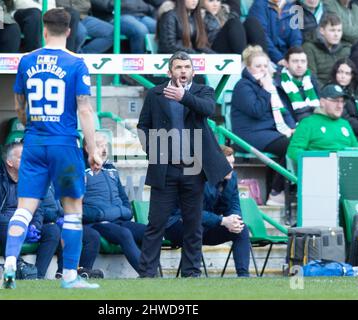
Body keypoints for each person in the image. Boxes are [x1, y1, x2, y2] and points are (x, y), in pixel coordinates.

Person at [4, 8, 101, 289]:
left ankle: (10, 261)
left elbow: (18, 107)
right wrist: (92, 148)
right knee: (72, 211)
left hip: (33, 143)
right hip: (64, 145)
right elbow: (84, 110)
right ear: (69, 32)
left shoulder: (26, 61)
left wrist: (30, 124)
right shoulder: (76, 63)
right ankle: (69, 276)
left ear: (43, 30)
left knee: (23, 209)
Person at [137, 51, 232, 277]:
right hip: (165, 168)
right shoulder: (155, 94)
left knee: (193, 223)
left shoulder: (202, 91)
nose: (182, 71)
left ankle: (191, 273)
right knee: (155, 223)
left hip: (194, 168)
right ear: (170, 72)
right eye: (178, 67)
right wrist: (152, 150)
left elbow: (208, 109)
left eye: (186, 67)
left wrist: (183, 97)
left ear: (193, 71)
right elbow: (143, 126)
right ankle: (147, 274)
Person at [165, 145, 250, 277]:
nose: (231, 168)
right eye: (228, 164)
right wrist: (222, 220)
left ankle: (244, 277)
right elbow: (192, 212)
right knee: (195, 226)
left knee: (242, 229)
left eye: (233, 163)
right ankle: (192, 274)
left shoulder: (231, 178)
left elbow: (234, 204)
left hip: (207, 225)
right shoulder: (197, 178)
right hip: (177, 225)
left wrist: (234, 219)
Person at [0, 142, 60, 279]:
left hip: (26, 223)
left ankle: (37, 275)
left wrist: (34, 225)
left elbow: (38, 209)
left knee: (53, 230)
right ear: (9, 162)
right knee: (9, 229)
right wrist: (19, 225)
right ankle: (17, 269)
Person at [231, 45, 296, 206]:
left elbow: (284, 111)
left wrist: (292, 128)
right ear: (248, 67)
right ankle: (276, 192)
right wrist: (266, 90)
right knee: (291, 146)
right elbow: (257, 111)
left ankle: (284, 190)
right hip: (250, 134)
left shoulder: (269, 85)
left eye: (265, 65)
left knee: (298, 141)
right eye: (258, 66)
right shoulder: (243, 86)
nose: (263, 69)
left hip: (269, 132)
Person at [83, 132, 146, 275]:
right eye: (99, 146)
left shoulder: (111, 169)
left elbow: (124, 198)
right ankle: (147, 274)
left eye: (105, 145)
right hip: (97, 223)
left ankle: (152, 270)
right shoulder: (80, 171)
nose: (104, 149)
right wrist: (100, 214)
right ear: (87, 148)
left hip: (118, 219)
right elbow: (76, 207)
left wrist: (125, 211)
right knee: (124, 234)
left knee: (149, 233)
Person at [40, 185, 104, 280]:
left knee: (92, 235)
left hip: (59, 219)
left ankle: (82, 273)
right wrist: (58, 216)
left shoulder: (53, 180)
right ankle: (59, 272)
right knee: (60, 231)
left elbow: (61, 206)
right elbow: (36, 209)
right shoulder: (35, 177)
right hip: (44, 222)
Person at [287, 84, 358, 162]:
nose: (340, 106)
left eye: (342, 102)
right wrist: (317, 162)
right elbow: (293, 151)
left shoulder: (345, 124)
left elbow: (357, 151)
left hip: (346, 169)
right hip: (319, 171)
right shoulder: (308, 123)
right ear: (322, 102)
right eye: (335, 101)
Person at [248, 0, 303, 66]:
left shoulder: (292, 6)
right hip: (267, 56)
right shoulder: (259, 5)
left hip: (287, 56)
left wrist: (294, 57)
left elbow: (296, 37)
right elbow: (262, 37)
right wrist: (279, 59)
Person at [303, 13, 351, 88]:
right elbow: (311, 77)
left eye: (339, 31)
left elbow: (351, 76)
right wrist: (327, 92)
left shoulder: (345, 49)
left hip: (342, 91)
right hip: (320, 92)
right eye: (332, 30)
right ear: (322, 31)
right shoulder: (309, 48)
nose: (336, 34)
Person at [202, 0, 267, 54]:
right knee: (233, 22)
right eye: (211, 1)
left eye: (218, 0)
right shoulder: (199, 16)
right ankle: (243, 61)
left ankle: (263, 60)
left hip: (232, 44)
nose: (215, 4)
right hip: (214, 49)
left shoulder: (225, 12)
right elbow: (199, 44)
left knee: (252, 22)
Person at [91, 0, 157, 53]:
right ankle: (139, 64)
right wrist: (112, 4)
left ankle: (160, 63)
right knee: (140, 30)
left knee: (158, 28)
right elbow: (100, 3)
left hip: (141, 14)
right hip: (116, 15)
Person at [276, 46, 320, 123]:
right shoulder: (279, 83)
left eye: (303, 61)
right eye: (295, 61)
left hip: (317, 122)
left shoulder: (312, 79)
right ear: (286, 63)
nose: (299, 65)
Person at [329, 58, 358, 144]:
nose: (343, 76)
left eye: (347, 73)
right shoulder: (330, 91)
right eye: (340, 72)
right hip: (341, 133)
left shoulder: (353, 92)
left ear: (352, 76)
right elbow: (346, 119)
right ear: (335, 74)